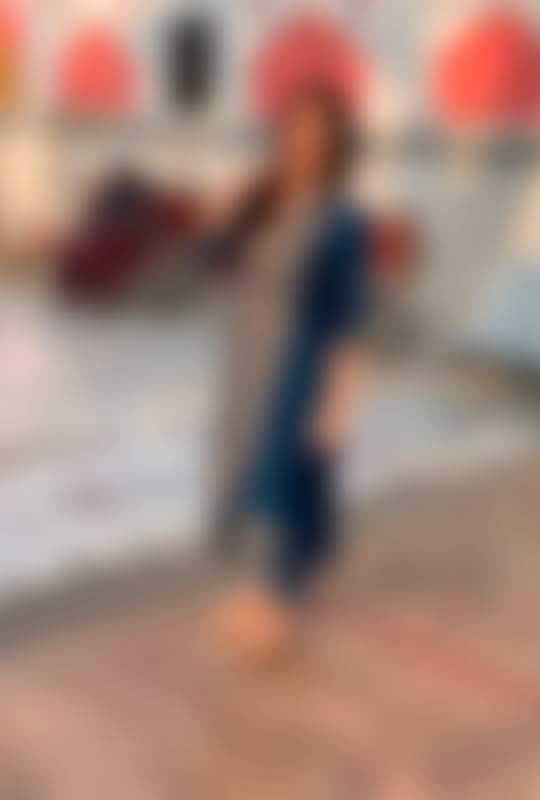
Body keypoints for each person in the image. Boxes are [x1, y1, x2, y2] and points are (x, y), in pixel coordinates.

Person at [200, 85, 369, 660]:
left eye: (317, 135)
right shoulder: (262, 200)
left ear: (335, 146)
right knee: (243, 472)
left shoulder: (340, 220)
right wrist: (222, 214)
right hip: (244, 365)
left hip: (296, 367)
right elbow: (210, 264)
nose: (303, 144)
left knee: (281, 482)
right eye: (294, 131)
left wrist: (338, 404)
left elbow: (347, 318)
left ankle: (279, 600)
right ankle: (267, 586)